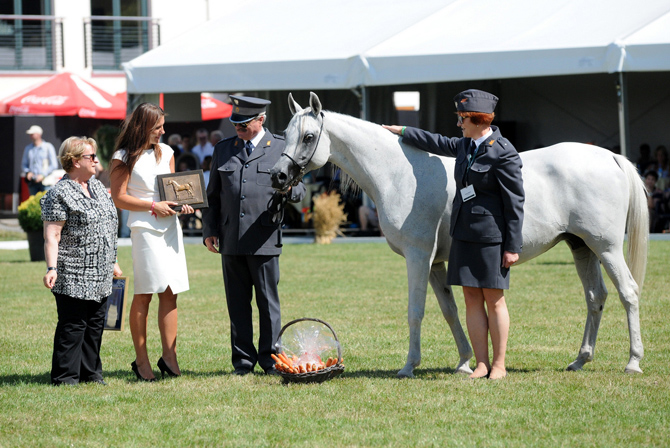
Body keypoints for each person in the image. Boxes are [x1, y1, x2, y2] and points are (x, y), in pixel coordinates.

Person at [383, 89, 524, 380]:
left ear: (479, 119)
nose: (459, 124)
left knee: (494, 299)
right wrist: (403, 130)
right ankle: (482, 363)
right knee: (471, 297)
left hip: (490, 237)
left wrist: (512, 245)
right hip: (462, 232)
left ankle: (499, 364)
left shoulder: (504, 151)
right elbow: (436, 142)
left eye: (462, 119)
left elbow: (515, 202)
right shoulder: (465, 145)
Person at [202, 95, 306, 375]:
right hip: (231, 239)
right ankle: (243, 361)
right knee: (237, 304)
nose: (238, 128)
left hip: (264, 239)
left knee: (267, 303)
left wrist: (289, 190)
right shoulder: (224, 149)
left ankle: (271, 360)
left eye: (244, 123)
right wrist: (210, 230)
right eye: (235, 122)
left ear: (261, 120)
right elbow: (212, 195)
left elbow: (300, 190)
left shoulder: (282, 148)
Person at [110, 103, 194, 381]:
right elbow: (118, 198)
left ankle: (169, 358)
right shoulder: (123, 157)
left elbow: (171, 192)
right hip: (145, 229)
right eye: (157, 126)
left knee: (171, 291)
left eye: (162, 126)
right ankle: (141, 361)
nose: (163, 131)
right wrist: (151, 206)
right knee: (145, 292)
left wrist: (185, 204)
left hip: (170, 228)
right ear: (143, 127)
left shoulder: (167, 152)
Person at [41, 136, 122, 386]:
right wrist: (52, 268)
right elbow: (52, 234)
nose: (97, 161)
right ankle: (66, 377)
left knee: (96, 324)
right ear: (75, 161)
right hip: (72, 270)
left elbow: (109, 226)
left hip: (101, 270)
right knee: (73, 325)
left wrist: (113, 261)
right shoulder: (59, 193)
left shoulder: (97, 186)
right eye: (91, 157)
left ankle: (91, 374)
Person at [21, 125, 58, 195]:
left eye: (32, 134)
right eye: (30, 134)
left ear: (39, 134)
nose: (30, 136)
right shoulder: (28, 148)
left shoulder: (48, 147)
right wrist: (28, 172)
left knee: (46, 203)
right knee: (34, 204)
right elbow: (24, 164)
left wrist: (43, 175)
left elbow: (54, 165)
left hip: (45, 182)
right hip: (32, 182)